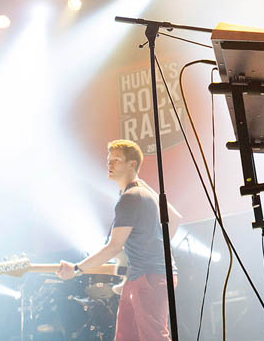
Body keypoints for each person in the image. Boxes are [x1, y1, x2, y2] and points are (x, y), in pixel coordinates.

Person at [57, 139, 176, 340]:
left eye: (116, 160)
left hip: (150, 277)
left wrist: (77, 269)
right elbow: (176, 220)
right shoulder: (141, 192)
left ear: (132, 164)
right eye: (109, 160)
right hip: (139, 276)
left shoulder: (131, 197)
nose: (110, 164)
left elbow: (113, 247)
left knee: (153, 337)